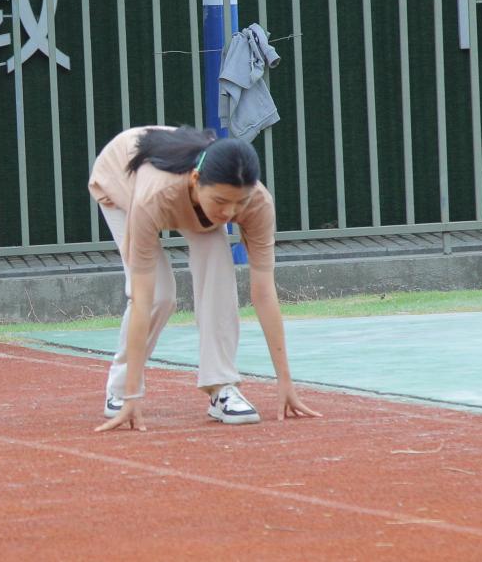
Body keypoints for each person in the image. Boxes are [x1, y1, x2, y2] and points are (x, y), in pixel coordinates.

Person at [88, 125, 320, 431]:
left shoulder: (256, 202)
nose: (230, 212)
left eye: (239, 202)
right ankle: (119, 390)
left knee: (219, 272)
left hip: (187, 193)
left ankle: (221, 385)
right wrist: (132, 395)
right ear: (197, 180)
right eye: (222, 201)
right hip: (122, 177)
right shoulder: (154, 196)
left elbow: (264, 292)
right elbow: (142, 299)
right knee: (158, 294)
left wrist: (286, 381)